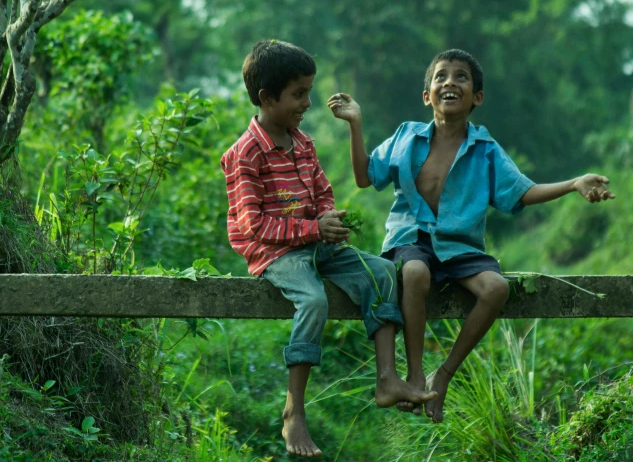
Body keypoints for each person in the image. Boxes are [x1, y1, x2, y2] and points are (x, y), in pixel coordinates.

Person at [328, 48, 615, 424]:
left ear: (476, 97)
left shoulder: (485, 149)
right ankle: (414, 375)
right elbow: (366, 176)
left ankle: (442, 374)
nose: (450, 82)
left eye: (461, 77)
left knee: (496, 288)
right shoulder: (406, 136)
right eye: (441, 76)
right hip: (410, 240)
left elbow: (521, 192)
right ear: (426, 95)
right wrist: (355, 123)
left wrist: (574, 183)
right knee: (415, 274)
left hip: (459, 246)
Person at [221, 40, 437, 457]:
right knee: (314, 300)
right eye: (298, 94)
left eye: (308, 91)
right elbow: (253, 225)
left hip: (315, 241)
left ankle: (387, 378)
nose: (307, 102)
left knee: (381, 272)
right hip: (275, 253)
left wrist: (329, 220)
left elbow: (322, 190)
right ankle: (294, 410)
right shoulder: (245, 154)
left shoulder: (304, 143)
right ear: (267, 97)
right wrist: (312, 228)